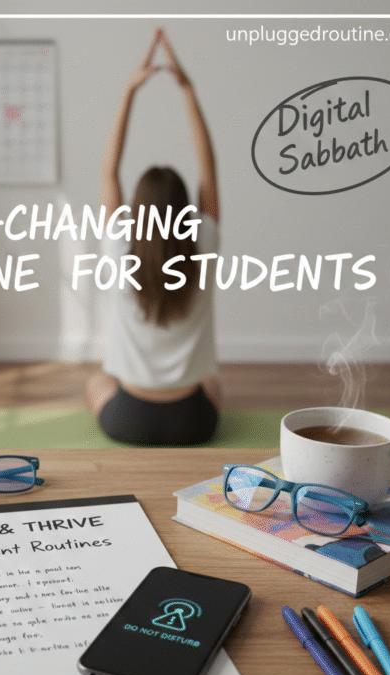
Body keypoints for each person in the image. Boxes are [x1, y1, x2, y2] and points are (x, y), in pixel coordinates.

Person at [86, 28, 222, 446]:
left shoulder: (118, 244)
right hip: (194, 423)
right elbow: (208, 172)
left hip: (129, 419)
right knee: (216, 385)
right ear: (186, 210)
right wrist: (187, 90)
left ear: (136, 209)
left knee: (95, 382)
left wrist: (129, 91)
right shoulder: (203, 240)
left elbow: (109, 172)